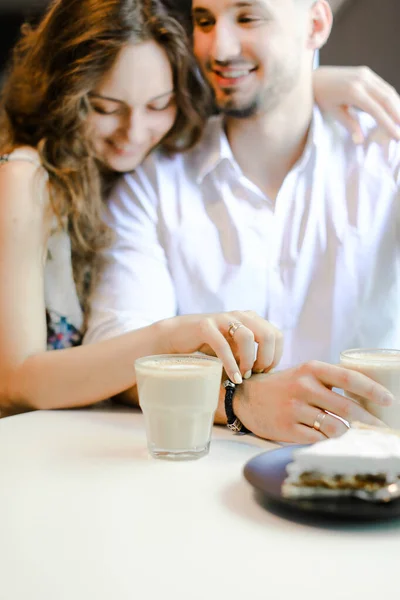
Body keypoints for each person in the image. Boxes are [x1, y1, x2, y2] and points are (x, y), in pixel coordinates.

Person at [0, 0, 396, 419]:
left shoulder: (122, 168)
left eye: (157, 105)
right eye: (105, 107)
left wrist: (306, 79)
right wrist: (177, 343)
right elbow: (18, 380)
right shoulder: (31, 179)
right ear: (67, 94)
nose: (134, 132)